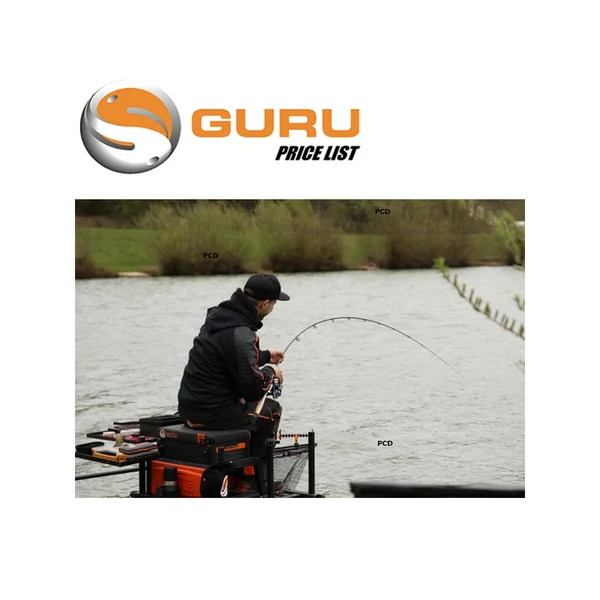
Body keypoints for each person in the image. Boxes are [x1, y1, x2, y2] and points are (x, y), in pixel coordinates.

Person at [177, 273, 290, 457]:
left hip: (187, 410)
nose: (273, 308)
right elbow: (254, 389)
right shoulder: (242, 334)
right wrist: (271, 371)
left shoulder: (219, 318)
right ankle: (257, 472)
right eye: (274, 303)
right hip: (213, 416)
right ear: (264, 304)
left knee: (244, 402)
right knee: (272, 411)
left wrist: (265, 356)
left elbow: (228, 355)